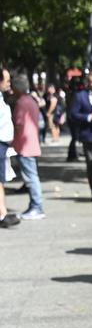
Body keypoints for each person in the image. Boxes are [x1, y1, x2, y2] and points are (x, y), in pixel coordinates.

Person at [11, 74, 44, 221]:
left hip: (25, 146)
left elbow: (18, 124)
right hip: (32, 144)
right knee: (32, 176)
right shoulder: (31, 100)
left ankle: (37, 207)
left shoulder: (21, 103)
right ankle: (34, 206)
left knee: (31, 178)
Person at [0, 68, 18, 229]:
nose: (9, 82)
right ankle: (2, 213)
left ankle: (2, 213)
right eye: (6, 79)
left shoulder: (2, 98)